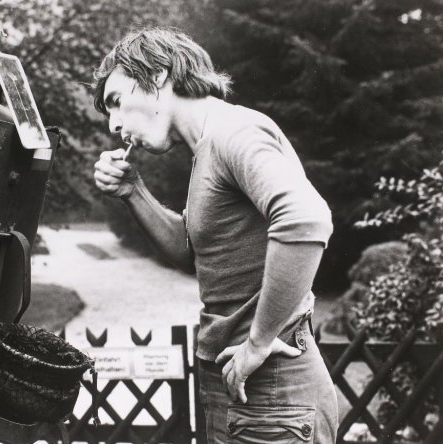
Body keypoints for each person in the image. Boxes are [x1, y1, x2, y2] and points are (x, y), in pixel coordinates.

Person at [91, 27, 338, 443]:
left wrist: (258, 342)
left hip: (271, 395)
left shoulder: (233, 132)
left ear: (159, 75)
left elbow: (305, 219)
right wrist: (133, 190)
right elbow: (192, 254)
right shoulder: (207, 146)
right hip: (243, 390)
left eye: (116, 101)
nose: (114, 124)